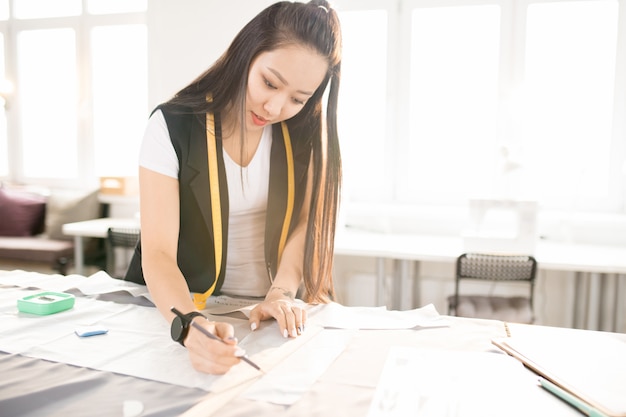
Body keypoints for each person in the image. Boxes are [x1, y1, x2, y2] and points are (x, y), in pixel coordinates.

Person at [124, 0, 342, 375]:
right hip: (185, 306)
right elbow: (157, 252)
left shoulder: (306, 133)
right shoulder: (172, 126)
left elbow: (305, 227)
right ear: (246, 53)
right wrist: (190, 325)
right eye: (270, 83)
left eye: (297, 99)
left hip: (269, 311)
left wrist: (281, 294)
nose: (274, 108)